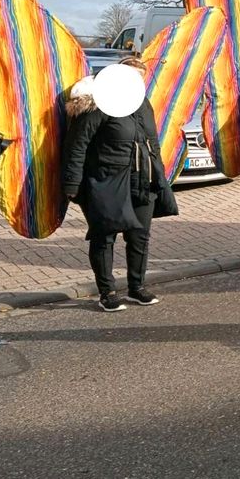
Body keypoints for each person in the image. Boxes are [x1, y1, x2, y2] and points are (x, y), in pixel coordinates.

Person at [62, 58, 178, 312]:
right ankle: (107, 292)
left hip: (142, 181)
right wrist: (72, 182)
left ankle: (137, 288)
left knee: (139, 237)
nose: (136, 81)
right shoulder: (99, 105)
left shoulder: (143, 104)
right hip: (107, 181)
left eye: (140, 78)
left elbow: (152, 142)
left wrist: (159, 174)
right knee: (105, 236)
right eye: (130, 75)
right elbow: (77, 145)